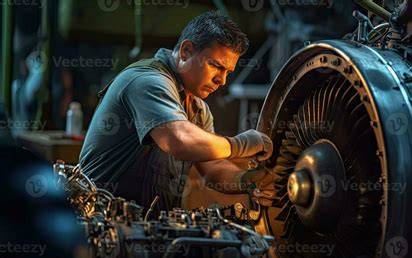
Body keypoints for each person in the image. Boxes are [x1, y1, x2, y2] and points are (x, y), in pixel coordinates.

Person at [79, 11, 275, 213]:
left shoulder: (198, 108)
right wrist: (241, 144)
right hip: (101, 226)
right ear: (186, 51)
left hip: (149, 231)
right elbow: (178, 140)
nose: (222, 80)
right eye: (216, 66)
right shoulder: (148, 82)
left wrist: (246, 181)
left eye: (228, 72)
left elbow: (213, 168)